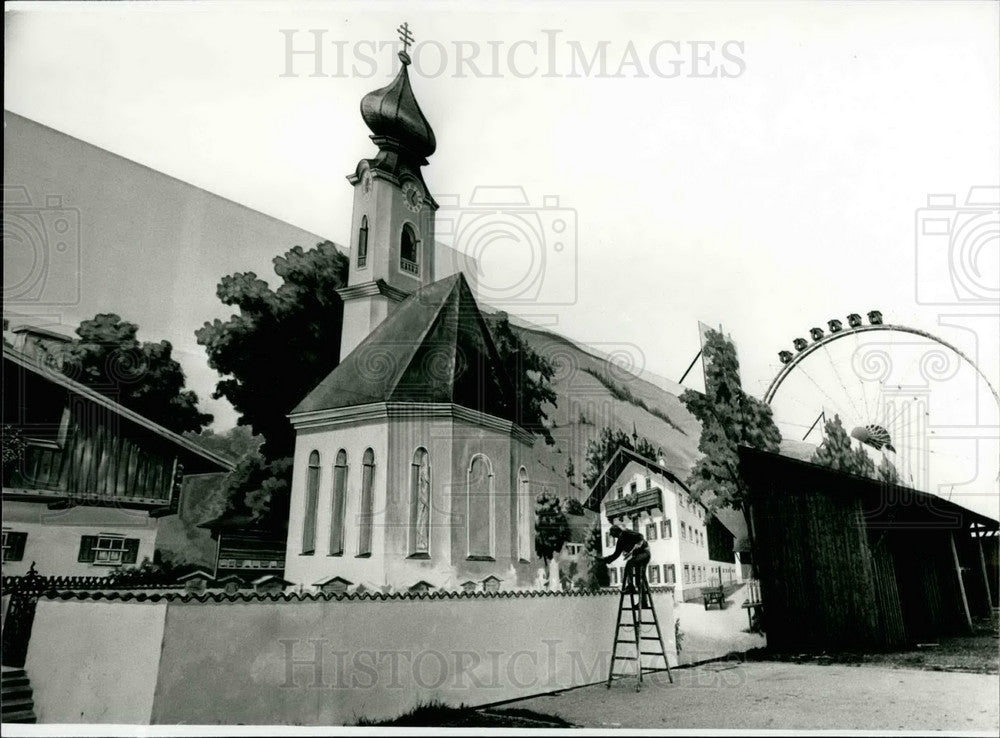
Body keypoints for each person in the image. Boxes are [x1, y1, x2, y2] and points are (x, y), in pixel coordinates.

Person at [602, 524, 651, 600]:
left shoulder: (626, 532)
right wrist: (605, 560)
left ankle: (631, 586)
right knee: (638, 579)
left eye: (612, 534)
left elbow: (640, 536)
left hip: (644, 553)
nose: (612, 536)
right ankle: (644, 601)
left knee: (629, 563)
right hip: (637, 556)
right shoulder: (620, 541)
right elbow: (616, 554)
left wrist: (638, 544)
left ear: (616, 531)